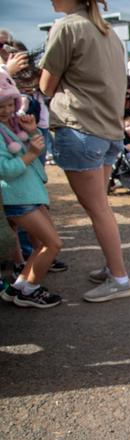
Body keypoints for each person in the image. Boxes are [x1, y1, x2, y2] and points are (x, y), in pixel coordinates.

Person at [40, 0, 130, 303]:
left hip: (81, 129)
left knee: (98, 209)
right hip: (108, 132)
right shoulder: (107, 31)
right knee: (101, 206)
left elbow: (45, 85)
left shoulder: (67, 27)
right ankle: (114, 268)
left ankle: (120, 278)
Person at [0, 71, 62, 308]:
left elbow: (35, 150)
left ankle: (19, 286)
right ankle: (31, 290)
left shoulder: (12, 127)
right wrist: (29, 155)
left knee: (40, 245)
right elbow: (5, 169)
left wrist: (33, 131)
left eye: (9, 104)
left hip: (30, 195)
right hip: (18, 197)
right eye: (0, 106)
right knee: (53, 244)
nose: (6, 111)